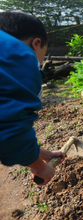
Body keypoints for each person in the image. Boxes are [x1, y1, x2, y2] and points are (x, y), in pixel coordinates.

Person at [0, 12, 65, 185]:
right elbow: (7, 127)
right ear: (36, 43)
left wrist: (41, 154)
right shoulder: (17, 55)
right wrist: (38, 166)